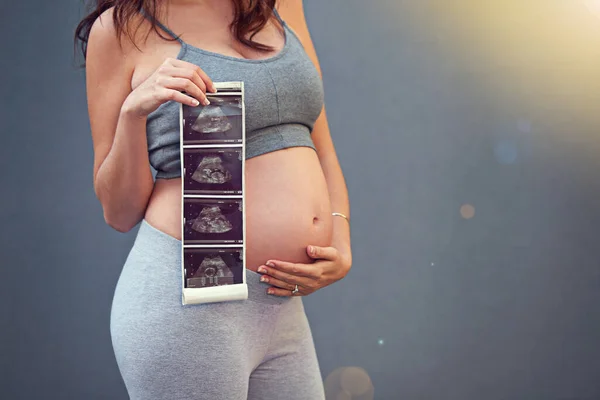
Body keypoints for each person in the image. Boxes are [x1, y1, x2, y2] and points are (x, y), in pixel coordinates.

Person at [75, 0, 352, 398]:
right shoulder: (120, 29)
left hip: (280, 304)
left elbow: (318, 143)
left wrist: (339, 236)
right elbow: (118, 212)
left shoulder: (277, 4)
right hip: (190, 306)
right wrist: (132, 116)